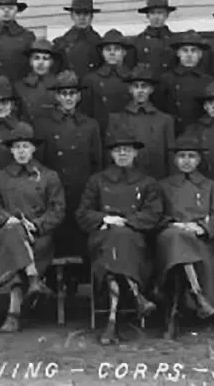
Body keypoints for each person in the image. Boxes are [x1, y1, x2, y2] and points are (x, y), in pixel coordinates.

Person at [77, 126, 163, 345]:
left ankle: (112, 320)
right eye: (118, 151)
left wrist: (125, 222)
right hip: (103, 238)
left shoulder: (147, 182)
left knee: (121, 243)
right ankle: (137, 297)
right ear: (111, 154)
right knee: (114, 243)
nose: (122, 154)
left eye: (127, 150)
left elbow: (154, 214)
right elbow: (83, 212)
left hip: (134, 239)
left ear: (136, 153)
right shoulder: (97, 181)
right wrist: (105, 219)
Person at [0, 124, 65, 332]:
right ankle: (33, 279)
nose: (21, 151)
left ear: (33, 149)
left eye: (25, 146)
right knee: (13, 234)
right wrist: (7, 219)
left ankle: (13, 315)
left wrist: (37, 225)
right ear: (11, 150)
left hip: (38, 237)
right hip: (7, 231)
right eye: (17, 147)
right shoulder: (0, 177)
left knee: (15, 252)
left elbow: (58, 210)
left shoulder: (49, 176)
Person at [157, 134, 214, 340]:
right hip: (169, 237)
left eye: (191, 156)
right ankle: (197, 295)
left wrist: (201, 227)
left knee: (181, 253)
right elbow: (154, 215)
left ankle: (172, 317)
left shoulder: (210, 186)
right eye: (182, 156)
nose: (186, 161)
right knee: (176, 239)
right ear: (174, 160)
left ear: (198, 160)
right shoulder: (163, 185)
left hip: (200, 240)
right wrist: (173, 224)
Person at [33, 70, 102, 272]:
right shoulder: (44, 124)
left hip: (82, 189)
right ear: (56, 97)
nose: (68, 98)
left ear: (79, 96)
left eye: (72, 93)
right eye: (64, 94)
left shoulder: (90, 125)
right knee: (55, 239)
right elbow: (40, 162)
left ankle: (77, 282)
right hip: (55, 191)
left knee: (81, 238)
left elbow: (97, 162)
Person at [107, 63, 175, 180]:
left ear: (151, 89)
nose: (140, 90)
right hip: (126, 181)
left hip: (156, 179)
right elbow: (110, 157)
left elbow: (170, 157)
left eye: (144, 86)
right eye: (136, 86)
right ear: (130, 89)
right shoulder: (116, 119)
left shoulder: (164, 120)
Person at [159, 30, 214, 135]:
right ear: (178, 53)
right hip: (174, 131)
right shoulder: (167, 79)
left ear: (200, 54)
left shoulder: (208, 81)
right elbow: (160, 107)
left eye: (193, 51)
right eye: (185, 50)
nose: (189, 54)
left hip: (201, 132)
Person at [81, 29, 135, 135]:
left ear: (124, 52)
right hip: (101, 132)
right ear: (102, 53)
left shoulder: (133, 78)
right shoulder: (91, 80)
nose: (112, 52)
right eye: (108, 49)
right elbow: (86, 113)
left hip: (128, 132)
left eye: (117, 49)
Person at [0, 0, 36, 84]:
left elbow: (33, 68)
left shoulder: (27, 37)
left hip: (19, 88)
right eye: (2, 8)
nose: (6, 11)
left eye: (10, 8)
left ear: (17, 10)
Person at [127, 0, 177, 79]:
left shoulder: (174, 41)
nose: (156, 17)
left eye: (160, 13)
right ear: (147, 15)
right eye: (153, 13)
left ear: (167, 15)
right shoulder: (138, 42)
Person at [52, 0, 102, 79]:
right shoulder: (61, 45)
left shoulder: (99, 44)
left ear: (91, 16)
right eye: (78, 13)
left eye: (86, 13)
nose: (82, 18)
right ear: (71, 15)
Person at [15, 39, 61, 123]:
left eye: (45, 58)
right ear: (30, 61)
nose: (41, 62)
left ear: (51, 62)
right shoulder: (19, 86)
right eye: (36, 58)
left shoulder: (59, 85)